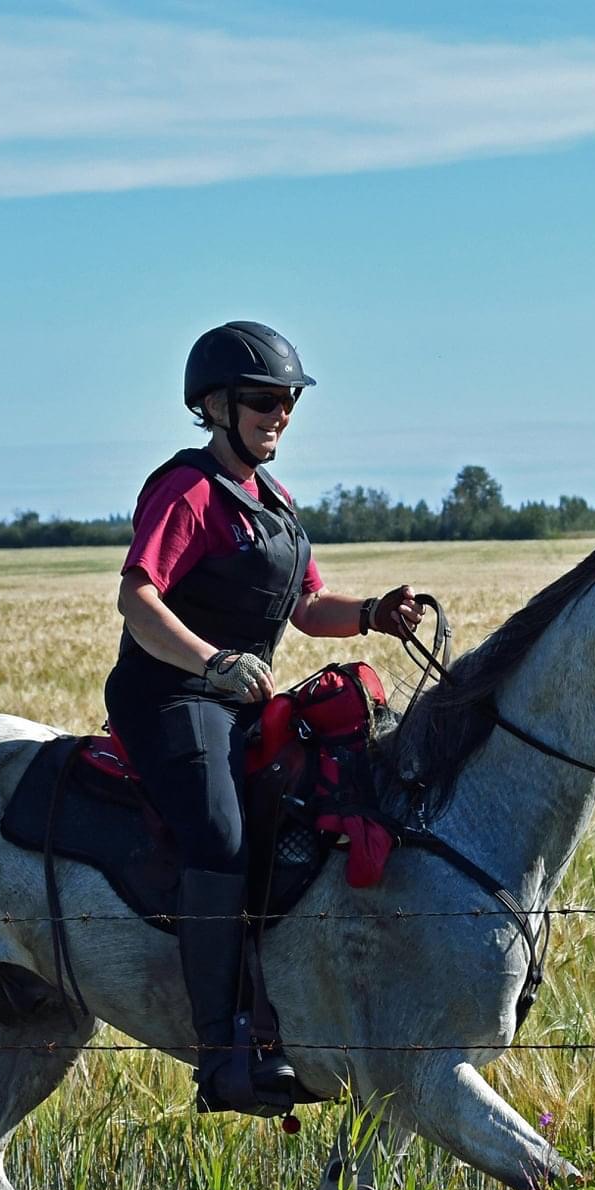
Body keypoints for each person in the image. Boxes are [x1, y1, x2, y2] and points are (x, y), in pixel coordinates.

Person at [106, 321, 422, 1117]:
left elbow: (310, 605)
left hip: (243, 699)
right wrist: (210, 661)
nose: (278, 413)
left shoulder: (272, 502)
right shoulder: (187, 490)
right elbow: (138, 597)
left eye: (287, 401)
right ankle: (222, 1049)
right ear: (214, 406)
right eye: (262, 400)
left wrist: (376, 612)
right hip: (172, 700)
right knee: (220, 832)